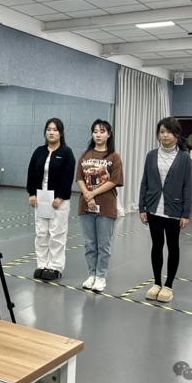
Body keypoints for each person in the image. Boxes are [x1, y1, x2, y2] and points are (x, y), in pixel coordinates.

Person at [139, 117, 192, 303]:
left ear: (176, 134)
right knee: (156, 245)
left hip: (174, 209)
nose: (165, 135)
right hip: (154, 208)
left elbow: (188, 186)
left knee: (173, 246)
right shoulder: (151, 155)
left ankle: (168, 285)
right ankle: (156, 283)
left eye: (169, 132)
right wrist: (142, 207)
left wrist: (185, 213)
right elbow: (145, 182)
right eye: (162, 131)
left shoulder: (184, 157)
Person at [77, 119, 123, 293]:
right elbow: (79, 177)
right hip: (85, 206)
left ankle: (101, 276)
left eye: (102, 131)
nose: (98, 135)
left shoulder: (114, 156)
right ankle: (91, 274)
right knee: (90, 244)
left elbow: (114, 180)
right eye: (95, 131)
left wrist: (93, 194)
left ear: (108, 134)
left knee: (103, 244)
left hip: (106, 206)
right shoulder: (85, 155)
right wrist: (87, 195)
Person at [26, 118, 76, 281]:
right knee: (41, 233)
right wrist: (32, 193)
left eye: (55, 129)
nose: (51, 132)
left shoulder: (66, 153)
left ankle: (55, 267)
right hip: (41, 198)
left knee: (57, 234)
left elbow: (68, 177)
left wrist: (60, 197)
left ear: (61, 133)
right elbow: (31, 172)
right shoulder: (39, 151)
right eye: (49, 129)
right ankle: (42, 264)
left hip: (58, 200)